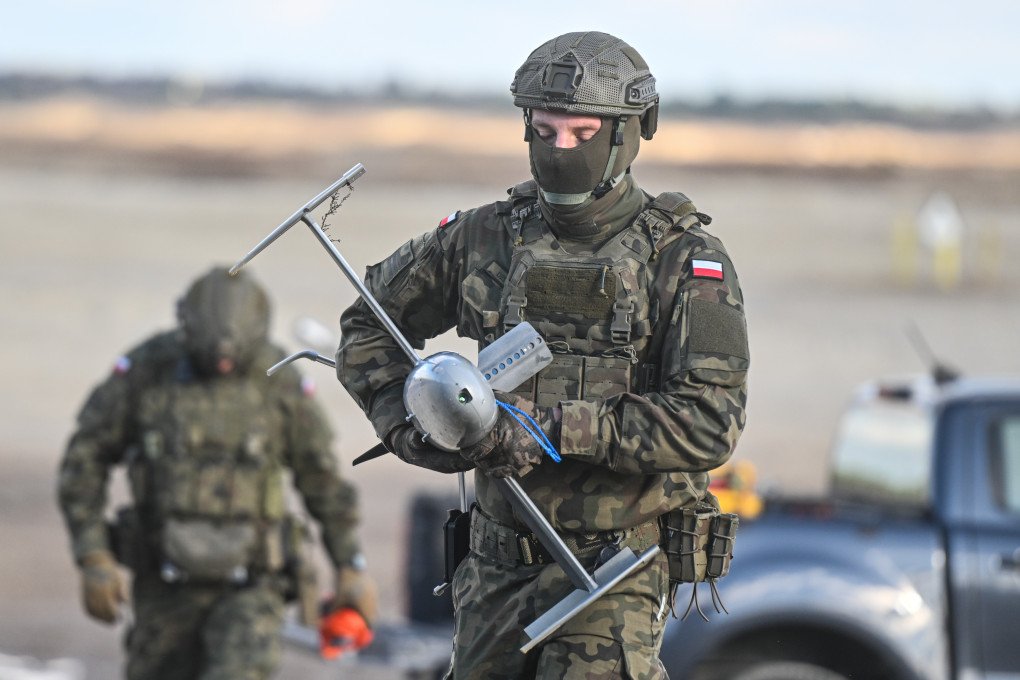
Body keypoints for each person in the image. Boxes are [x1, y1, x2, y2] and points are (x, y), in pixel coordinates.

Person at [337, 31, 749, 679]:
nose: (560, 150)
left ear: (629, 132)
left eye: (581, 133)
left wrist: (544, 428)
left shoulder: (681, 260)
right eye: (543, 129)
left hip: (610, 573)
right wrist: (418, 424)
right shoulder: (482, 238)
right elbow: (368, 325)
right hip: (495, 570)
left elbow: (708, 423)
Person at [57, 266, 377, 680]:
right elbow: (84, 460)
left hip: (253, 588)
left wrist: (350, 563)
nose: (223, 362)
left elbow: (323, 481)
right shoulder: (147, 372)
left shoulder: (278, 383)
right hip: (164, 586)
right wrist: (94, 555)